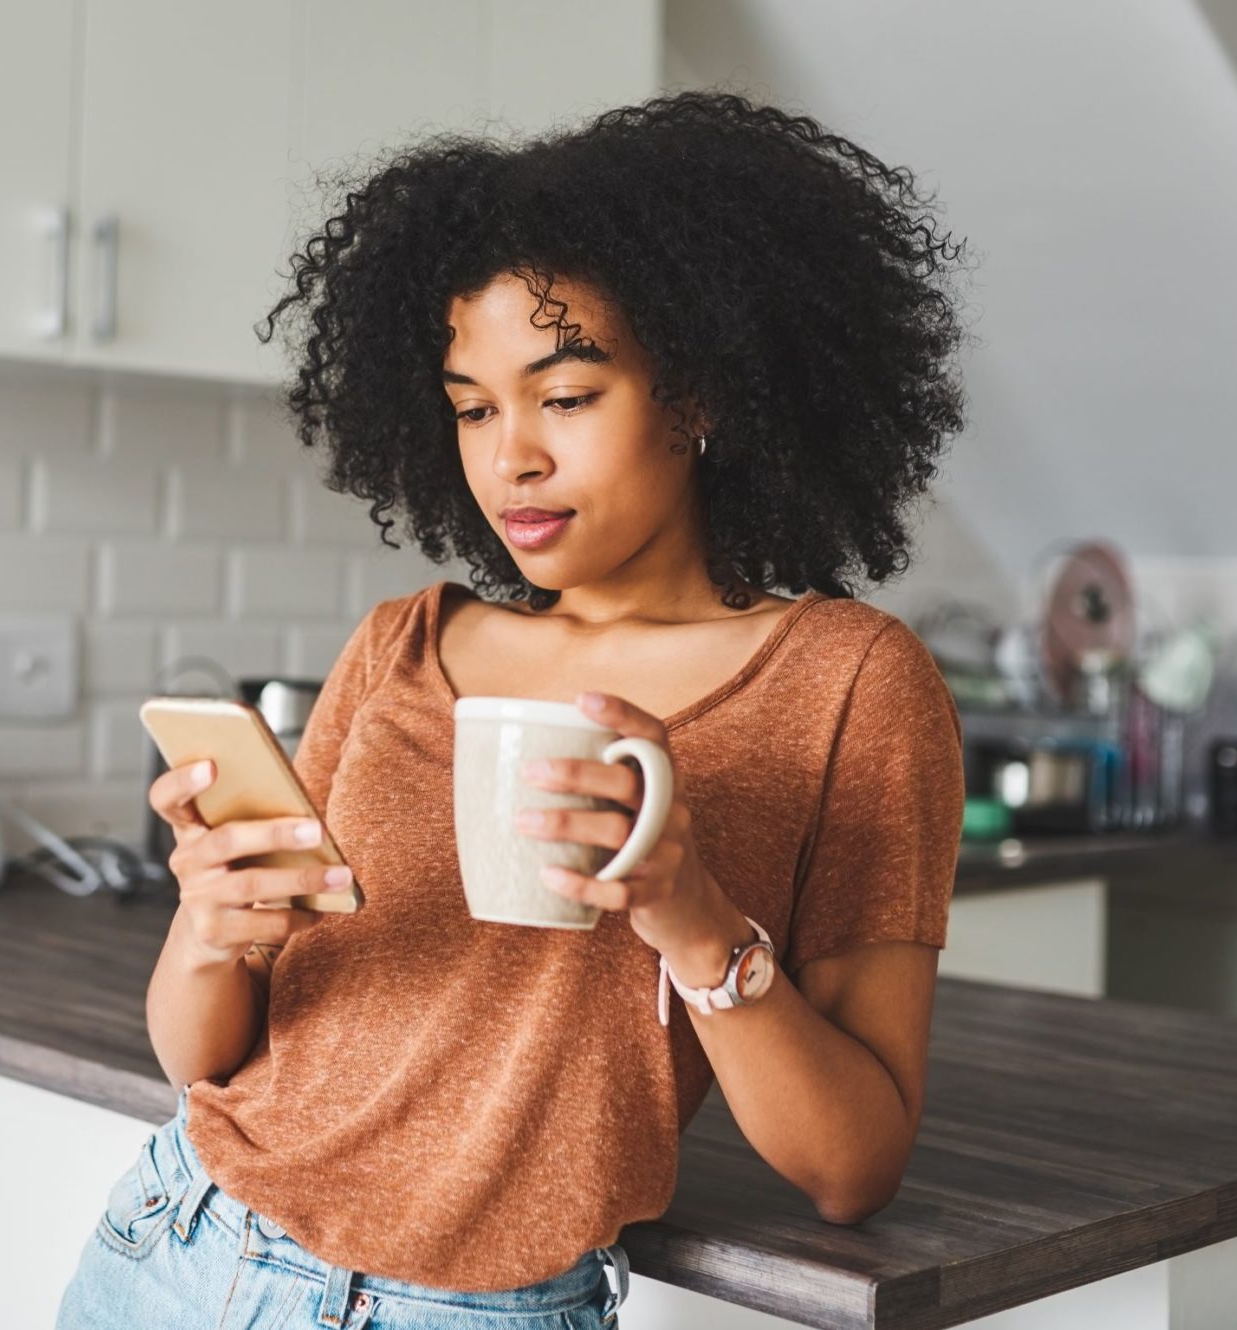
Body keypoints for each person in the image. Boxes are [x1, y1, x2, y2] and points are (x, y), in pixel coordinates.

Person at [57, 87, 972, 1329]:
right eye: (475, 406)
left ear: (700, 394)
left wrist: (689, 916)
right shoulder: (401, 645)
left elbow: (854, 1167)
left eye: (568, 395)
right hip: (178, 1244)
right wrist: (213, 924)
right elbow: (205, 1058)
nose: (511, 458)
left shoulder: (850, 683)